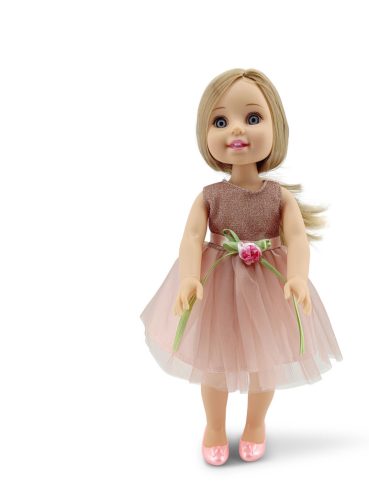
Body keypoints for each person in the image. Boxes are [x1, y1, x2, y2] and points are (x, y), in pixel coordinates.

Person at [140, 68, 343, 465]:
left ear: (275, 126)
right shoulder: (210, 196)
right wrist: (189, 278)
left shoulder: (278, 196)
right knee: (214, 365)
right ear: (205, 132)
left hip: (268, 286)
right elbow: (191, 238)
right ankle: (215, 427)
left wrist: (298, 277)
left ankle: (255, 424)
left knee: (262, 363)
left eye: (252, 117)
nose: (236, 129)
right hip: (217, 286)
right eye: (220, 121)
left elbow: (296, 237)